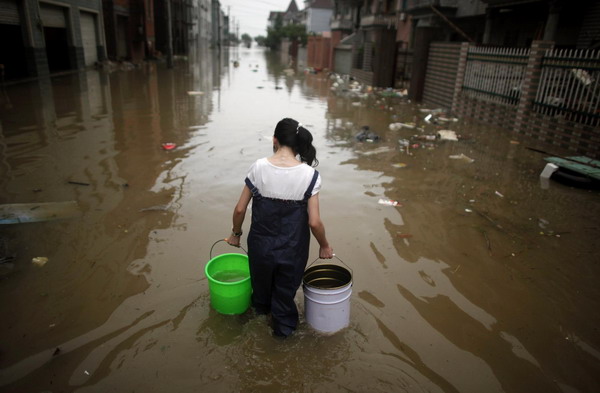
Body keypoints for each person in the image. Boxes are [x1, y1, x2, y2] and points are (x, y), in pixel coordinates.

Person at [226, 118, 334, 337]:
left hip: (260, 247)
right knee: (284, 297)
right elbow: (314, 222)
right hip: (292, 251)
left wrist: (235, 234)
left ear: (275, 140)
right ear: (297, 143)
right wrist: (324, 245)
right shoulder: (310, 176)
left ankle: (258, 323)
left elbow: (239, 210)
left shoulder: (258, 167)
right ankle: (282, 339)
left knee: (261, 295)